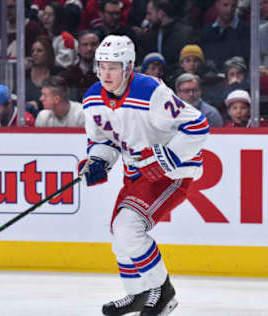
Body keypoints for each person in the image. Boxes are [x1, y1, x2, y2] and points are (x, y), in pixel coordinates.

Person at [79, 35, 208, 316]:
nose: (106, 73)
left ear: (128, 67)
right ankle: (138, 294)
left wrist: (168, 158)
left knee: (128, 228)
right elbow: (103, 140)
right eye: (102, 66)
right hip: (137, 173)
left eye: (113, 67)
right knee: (120, 235)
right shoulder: (92, 97)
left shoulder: (150, 92)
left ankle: (162, 292)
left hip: (172, 174)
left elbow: (198, 125)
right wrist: (99, 161)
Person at [139, 0, 198, 74]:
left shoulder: (185, 34)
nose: (147, 18)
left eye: (149, 13)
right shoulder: (150, 35)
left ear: (161, 14)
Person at [199, 0, 250, 72]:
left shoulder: (246, 31)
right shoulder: (206, 32)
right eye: (225, 5)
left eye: (233, 6)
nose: (229, 10)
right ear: (217, 5)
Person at [59, 30, 100, 101]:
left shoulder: (107, 74)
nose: (89, 48)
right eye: (85, 45)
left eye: (93, 44)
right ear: (78, 48)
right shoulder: (68, 74)